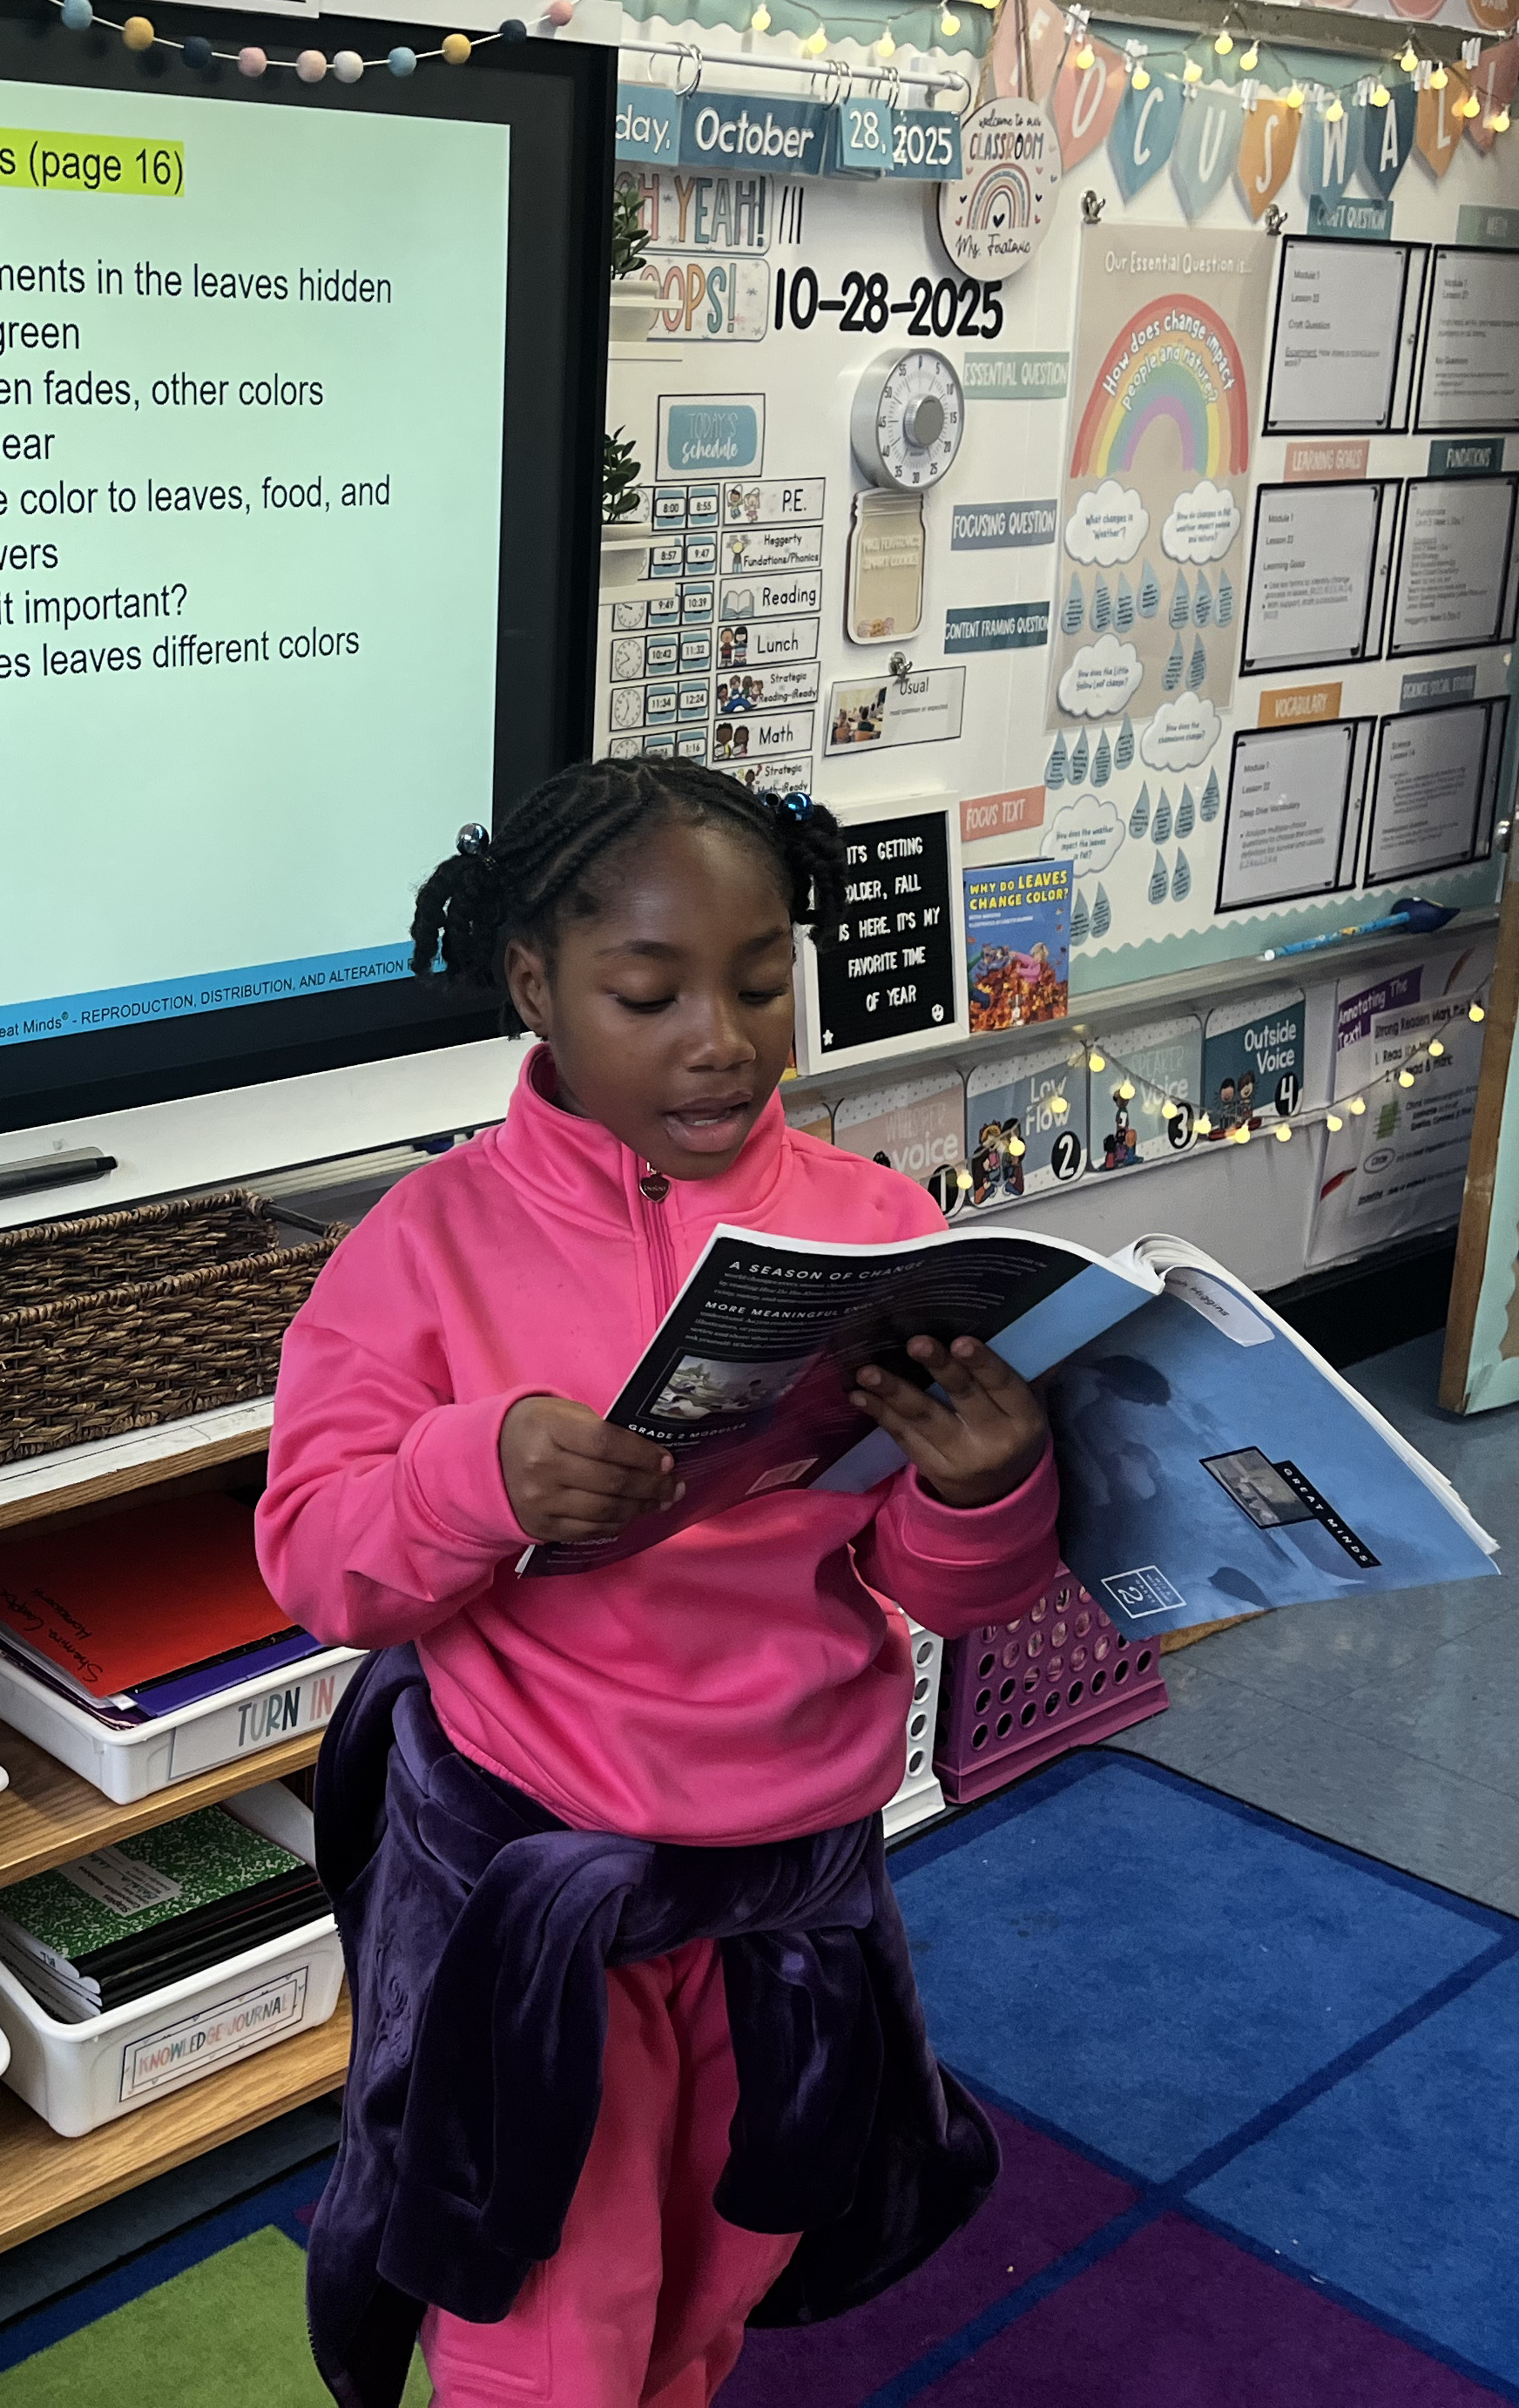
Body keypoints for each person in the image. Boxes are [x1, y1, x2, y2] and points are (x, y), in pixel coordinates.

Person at [257, 758, 1063, 2408]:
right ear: (539, 990)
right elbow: (316, 1558)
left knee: (716, 2275)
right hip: (546, 1901)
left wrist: (987, 1492)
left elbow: (924, 1578)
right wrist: (475, 1471)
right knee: (550, 2315)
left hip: (794, 1890)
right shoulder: (427, 1244)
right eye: (651, 991)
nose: (724, 1035)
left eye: (764, 982)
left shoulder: (871, 1225)